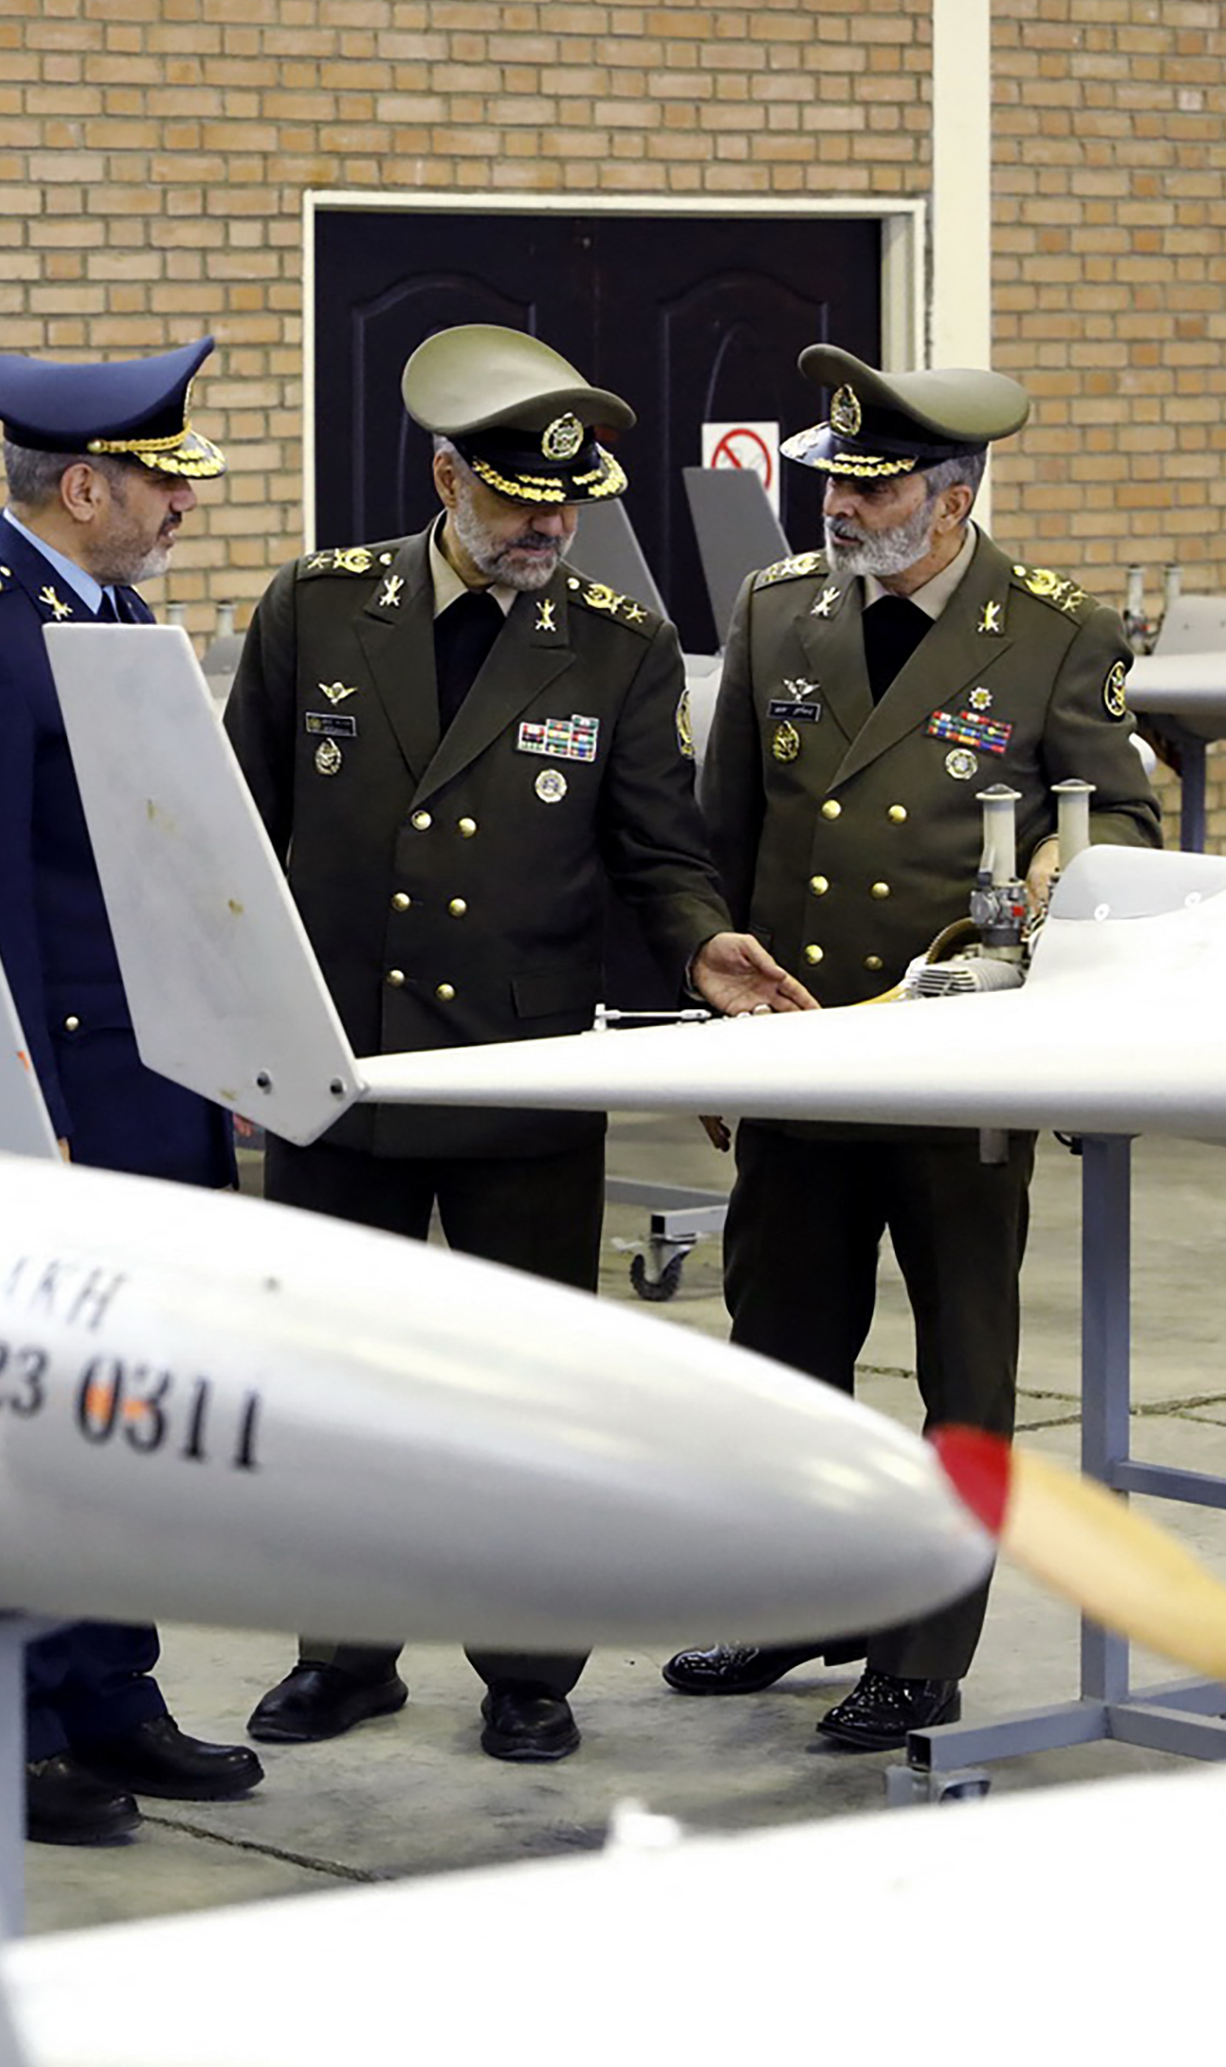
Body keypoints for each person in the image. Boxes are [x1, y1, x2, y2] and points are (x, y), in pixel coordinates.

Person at [220, 322, 812, 1766]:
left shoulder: (611, 648)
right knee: (336, 1385)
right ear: (446, 478)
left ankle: (528, 1668)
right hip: (343, 1073)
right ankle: (344, 1651)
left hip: (525, 1074)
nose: (551, 525)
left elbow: (657, 849)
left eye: (568, 502)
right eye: (521, 501)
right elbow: (240, 826)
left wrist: (701, 943)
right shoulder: (317, 607)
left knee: (528, 1392)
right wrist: (234, 1030)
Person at [675, 343, 1162, 1749]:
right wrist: (716, 1026)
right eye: (832, 481)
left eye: (870, 489)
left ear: (950, 501)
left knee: (964, 1358)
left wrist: (1075, 860)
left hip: (958, 1066)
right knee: (780, 1345)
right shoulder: (779, 612)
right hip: (803, 1048)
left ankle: (923, 1644)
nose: (836, 508)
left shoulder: (1054, 629)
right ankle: (791, 1600)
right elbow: (725, 835)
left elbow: (1125, 814)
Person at [0, 337, 261, 1843]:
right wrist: (19, 1104)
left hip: (153, 1088)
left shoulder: (116, 618)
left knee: (124, 1421)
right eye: (159, 481)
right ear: (86, 483)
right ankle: (12, 1714)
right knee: (27, 1423)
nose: (180, 506)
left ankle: (113, 1689)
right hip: (62, 1099)